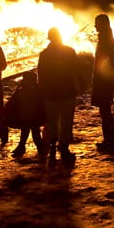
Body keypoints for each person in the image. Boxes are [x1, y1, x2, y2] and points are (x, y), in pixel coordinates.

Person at [37, 27, 78, 166]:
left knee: (52, 122)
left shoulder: (44, 54)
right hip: (66, 93)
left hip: (51, 95)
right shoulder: (69, 52)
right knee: (66, 122)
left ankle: (53, 148)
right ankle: (64, 149)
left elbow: (40, 75)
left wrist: (42, 91)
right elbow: (76, 71)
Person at [91, 13, 114, 154]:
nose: (95, 26)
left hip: (104, 81)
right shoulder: (107, 38)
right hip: (105, 80)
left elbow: (103, 62)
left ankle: (111, 141)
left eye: (97, 23)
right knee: (105, 111)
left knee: (105, 111)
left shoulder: (105, 40)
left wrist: (98, 78)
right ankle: (109, 140)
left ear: (102, 24)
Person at [3, 71, 47, 158]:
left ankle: (22, 147)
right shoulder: (37, 91)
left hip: (24, 116)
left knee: (25, 131)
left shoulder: (20, 91)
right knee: (35, 132)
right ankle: (39, 148)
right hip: (34, 117)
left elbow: (12, 103)